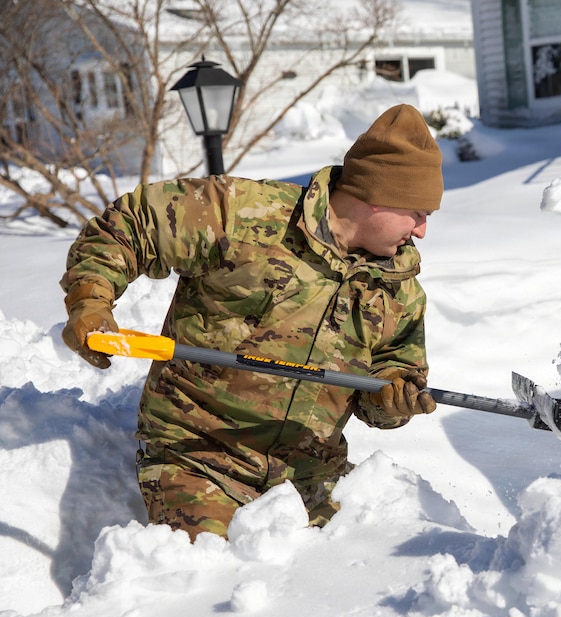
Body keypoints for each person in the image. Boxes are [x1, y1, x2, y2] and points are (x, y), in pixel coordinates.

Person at [60, 104, 441, 540]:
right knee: (212, 582)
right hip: (200, 456)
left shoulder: (399, 288)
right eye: (418, 212)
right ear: (376, 197)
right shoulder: (244, 215)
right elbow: (129, 226)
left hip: (311, 478)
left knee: (371, 566)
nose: (423, 230)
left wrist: (394, 399)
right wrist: (91, 302)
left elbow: (393, 380)